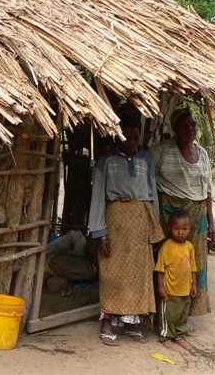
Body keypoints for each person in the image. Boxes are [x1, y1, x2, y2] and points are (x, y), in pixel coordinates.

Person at [88, 116, 163, 346]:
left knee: (139, 276)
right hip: (115, 224)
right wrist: (100, 233)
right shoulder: (106, 162)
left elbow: (154, 197)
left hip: (140, 226)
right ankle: (107, 323)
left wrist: (155, 229)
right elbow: (98, 197)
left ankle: (131, 322)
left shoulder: (146, 161)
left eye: (134, 138)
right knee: (111, 274)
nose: (131, 142)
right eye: (126, 138)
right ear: (117, 137)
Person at [148, 107, 215, 316]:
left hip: (197, 216)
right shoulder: (160, 151)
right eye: (184, 126)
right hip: (170, 214)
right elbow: (147, 180)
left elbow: (208, 190)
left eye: (193, 124)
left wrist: (211, 222)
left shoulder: (202, 154)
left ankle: (190, 310)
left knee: (195, 262)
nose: (190, 129)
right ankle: (163, 311)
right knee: (167, 261)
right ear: (175, 129)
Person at [155, 209, 197, 350]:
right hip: (170, 290)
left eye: (184, 229)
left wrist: (194, 285)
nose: (180, 232)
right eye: (176, 229)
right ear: (169, 228)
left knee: (182, 314)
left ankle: (179, 335)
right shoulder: (167, 247)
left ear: (189, 229)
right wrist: (161, 287)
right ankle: (166, 335)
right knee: (168, 315)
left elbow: (193, 268)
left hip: (185, 289)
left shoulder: (189, 247)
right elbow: (160, 269)